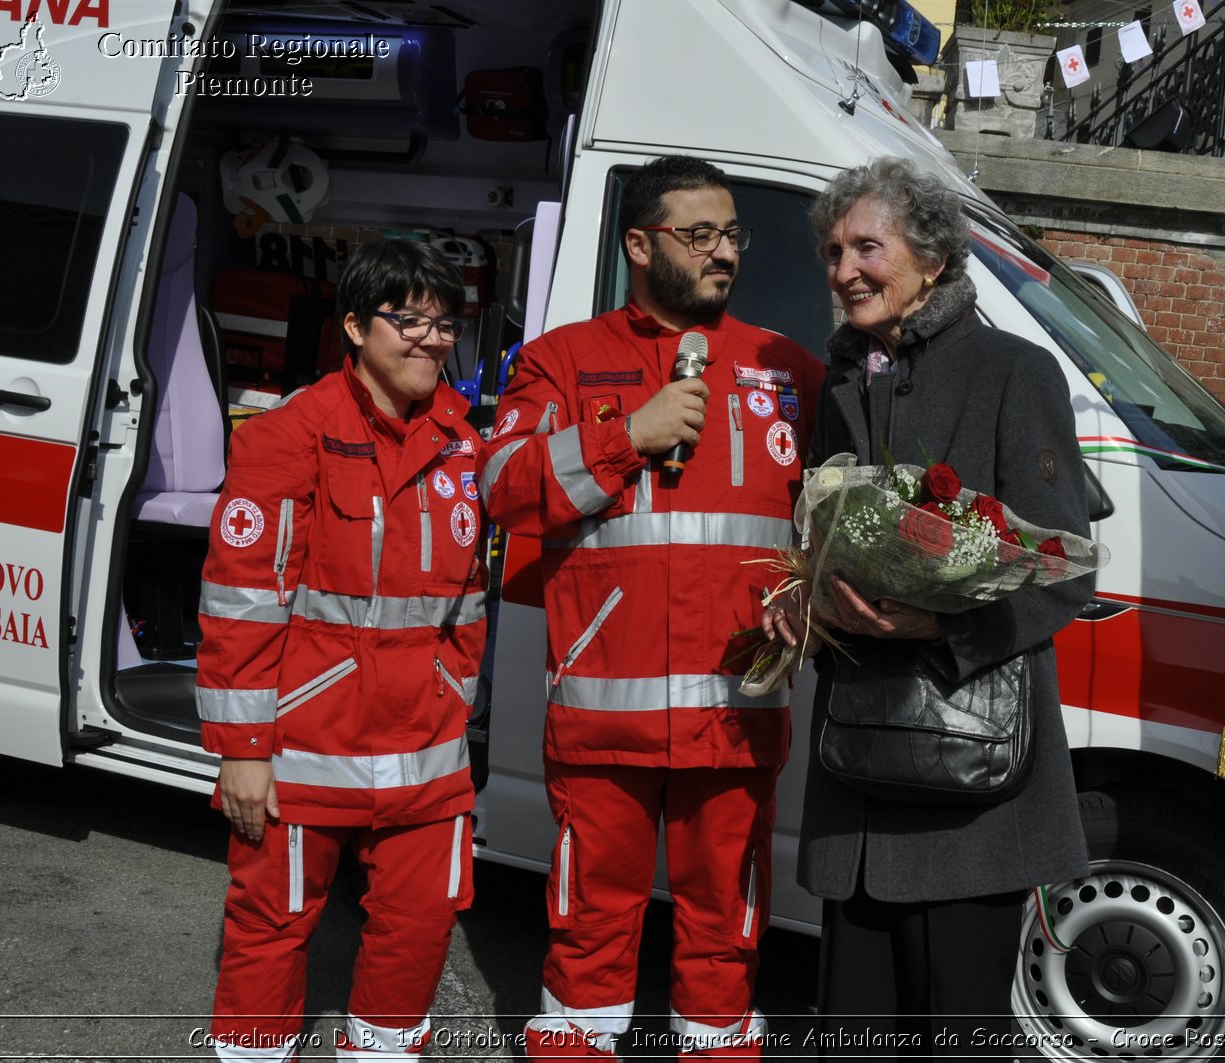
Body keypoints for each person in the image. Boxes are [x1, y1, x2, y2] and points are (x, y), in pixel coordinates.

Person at [480, 155, 824, 1059]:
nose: (725, 254)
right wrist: (628, 435)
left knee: (725, 948)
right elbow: (503, 487)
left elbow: (837, 512)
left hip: (735, 714)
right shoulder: (561, 361)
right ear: (639, 243)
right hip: (605, 720)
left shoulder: (787, 366)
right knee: (587, 945)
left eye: (732, 234)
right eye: (699, 234)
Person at [762, 157, 1095, 1055]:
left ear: (934, 258)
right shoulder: (841, 382)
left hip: (970, 778)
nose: (844, 270)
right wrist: (804, 600)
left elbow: (1065, 569)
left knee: (956, 1032)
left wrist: (945, 621)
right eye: (833, 251)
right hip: (859, 770)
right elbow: (823, 539)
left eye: (867, 246)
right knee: (855, 1027)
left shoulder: (1016, 372)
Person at [196, 240, 489, 1061]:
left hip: (426, 750)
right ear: (356, 327)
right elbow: (242, 609)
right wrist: (243, 752)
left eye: (445, 322)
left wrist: (453, 690)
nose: (432, 339)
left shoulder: (462, 442)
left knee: (420, 925)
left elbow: (467, 601)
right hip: (305, 747)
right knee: (271, 925)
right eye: (409, 319)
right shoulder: (288, 436)